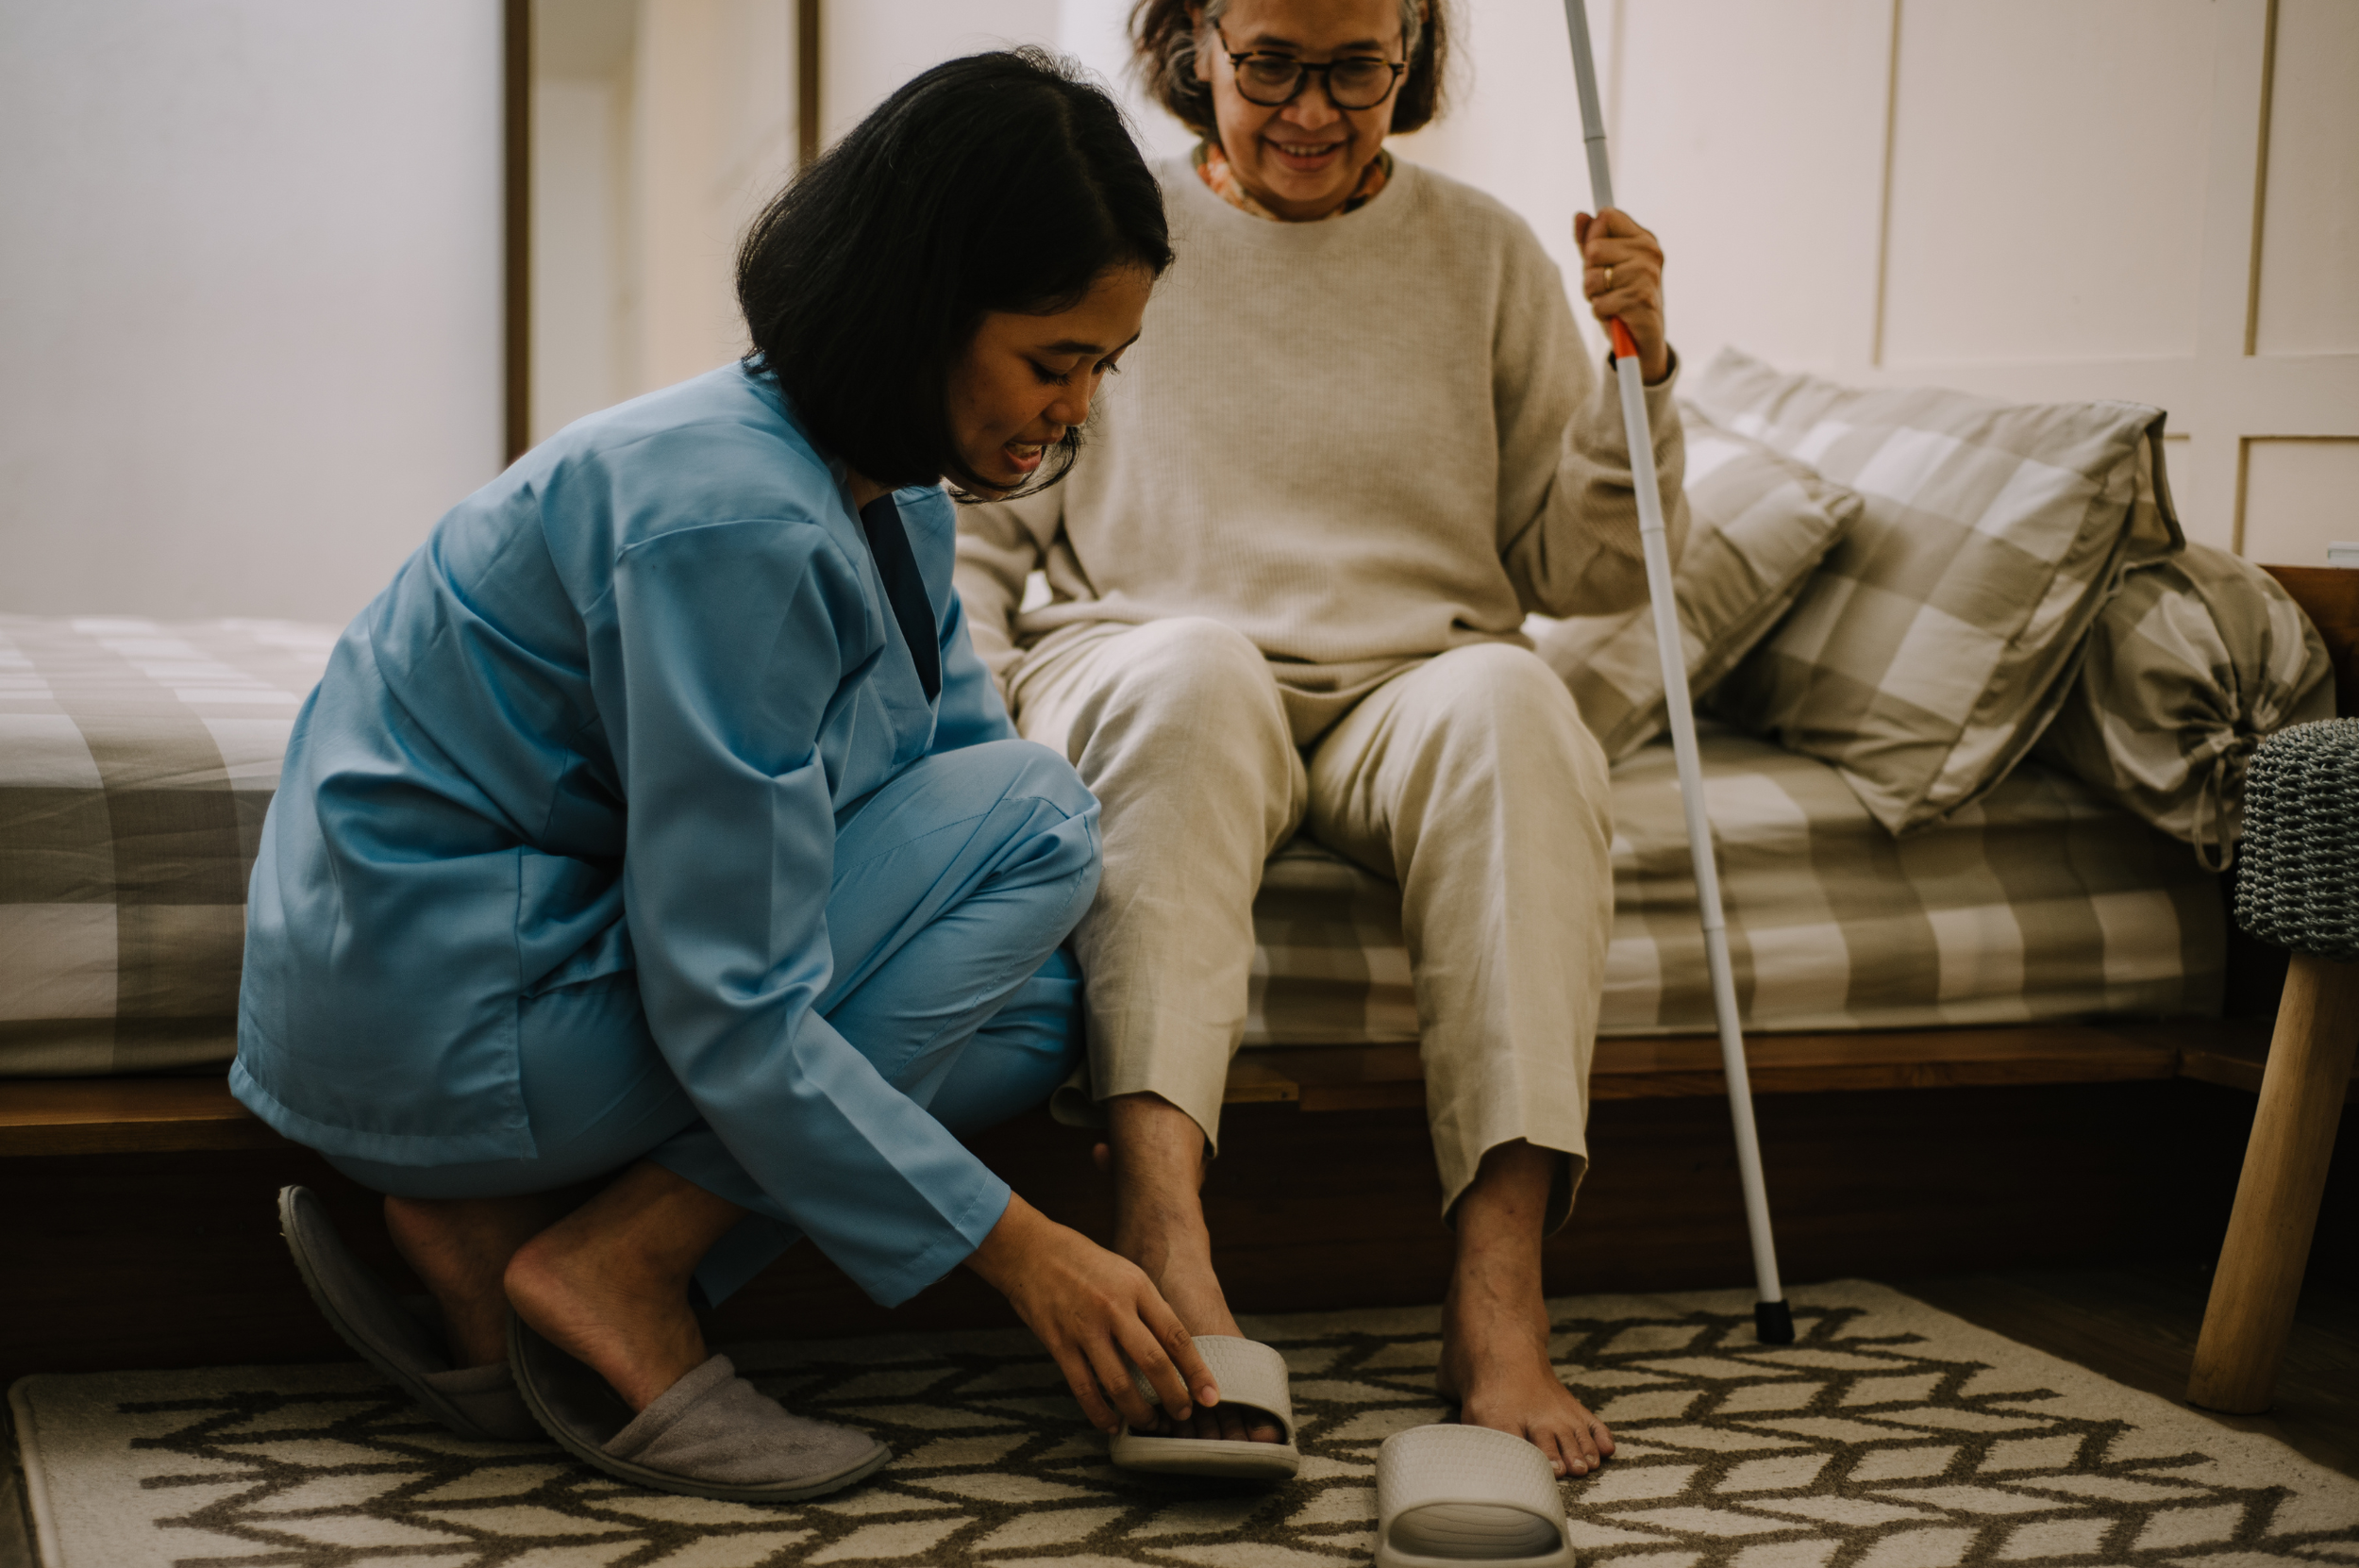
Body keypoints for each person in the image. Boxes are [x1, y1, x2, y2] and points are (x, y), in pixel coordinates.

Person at [233, 49, 1224, 1503]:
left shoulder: (881, 503)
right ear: (923, 311)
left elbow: (939, 784)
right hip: (437, 1001)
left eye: (1099, 368)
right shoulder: (730, 520)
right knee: (1042, 816)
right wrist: (1023, 1249)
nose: (1074, 412)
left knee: (1034, 1013)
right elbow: (738, 988)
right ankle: (614, 1271)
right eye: (1052, 359)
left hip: (472, 984)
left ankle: (538, 1240)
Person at [954, 0, 1689, 1480]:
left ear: (1410, 52)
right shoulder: (1117, 227)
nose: (1310, 108)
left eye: (1355, 67)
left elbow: (1592, 575)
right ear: (1198, 42)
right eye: (1270, 63)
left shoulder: (1482, 252)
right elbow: (981, 512)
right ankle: (1169, 1248)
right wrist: (960, 724)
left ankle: (1499, 1301)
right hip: (1151, 648)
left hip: (1412, 676)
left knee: (1520, 701)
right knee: (1200, 679)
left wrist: (1641, 373)